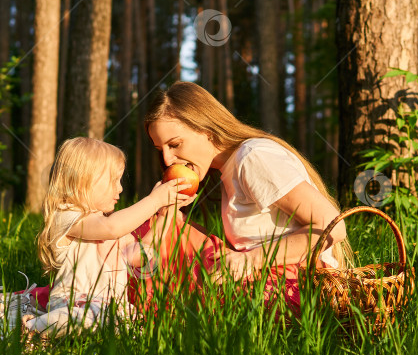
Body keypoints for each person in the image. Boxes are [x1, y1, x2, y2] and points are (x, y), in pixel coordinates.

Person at [144, 81, 354, 315]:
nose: (167, 159)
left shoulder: (253, 157)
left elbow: (334, 226)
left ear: (206, 129)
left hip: (298, 281)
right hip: (272, 273)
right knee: (159, 225)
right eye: (160, 149)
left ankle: (134, 312)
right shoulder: (231, 166)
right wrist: (167, 212)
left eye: (175, 144)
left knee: (152, 233)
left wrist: (250, 260)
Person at [28, 137, 194, 336]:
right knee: (77, 318)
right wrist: (154, 200)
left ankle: (47, 331)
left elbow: (140, 256)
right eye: (114, 180)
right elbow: (111, 228)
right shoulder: (66, 218)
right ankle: (30, 329)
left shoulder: (108, 224)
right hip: (74, 304)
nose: (121, 188)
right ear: (83, 181)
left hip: (112, 310)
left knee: (135, 328)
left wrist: (164, 218)